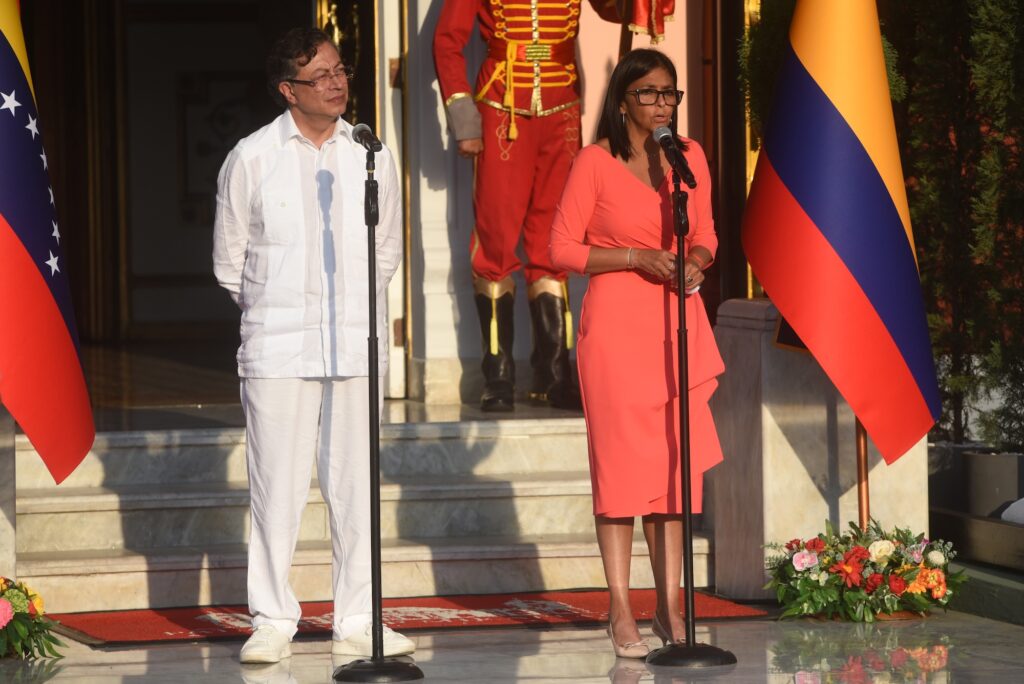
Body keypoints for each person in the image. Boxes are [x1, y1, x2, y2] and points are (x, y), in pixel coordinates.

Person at [212, 28, 414, 664]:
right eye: (320, 75)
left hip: (354, 342)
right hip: (277, 349)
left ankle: (357, 619)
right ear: (288, 90)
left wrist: (353, 308)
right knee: (277, 488)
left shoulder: (370, 155)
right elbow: (230, 261)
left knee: (356, 488)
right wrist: (277, 309)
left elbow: (386, 250)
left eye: (339, 70)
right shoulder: (252, 157)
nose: (336, 83)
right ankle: (273, 618)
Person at [549, 49, 726, 658]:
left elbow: (706, 233)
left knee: (674, 471)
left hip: (677, 322)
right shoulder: (594, 161)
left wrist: (696, 261)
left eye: (669, 93)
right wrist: (634, 257)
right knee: (622, 473)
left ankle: (670, 607)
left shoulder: (688, 157)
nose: (661, 103)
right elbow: (560, 248)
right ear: (623, 100)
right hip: (617, 328)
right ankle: (621, 607)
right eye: (648, 93)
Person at [432, 0, 608, 411]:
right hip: (502, 109)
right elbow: (446, 41)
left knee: (555, 242)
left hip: (562, 110)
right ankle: (498, 374)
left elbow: (613, 9)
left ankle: (555, 372)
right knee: (494, 241)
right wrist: (464, 121)